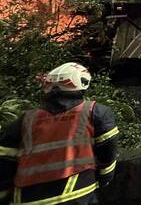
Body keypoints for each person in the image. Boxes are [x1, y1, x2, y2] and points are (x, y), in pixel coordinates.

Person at [0, 63, 119, 205]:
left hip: (26, 198)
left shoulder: (26, 119)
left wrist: (4, 193)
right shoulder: (94, 112)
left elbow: (5, 162)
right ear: (82, 83)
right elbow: (108, 150)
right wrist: (104, 179)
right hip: (74, 194)